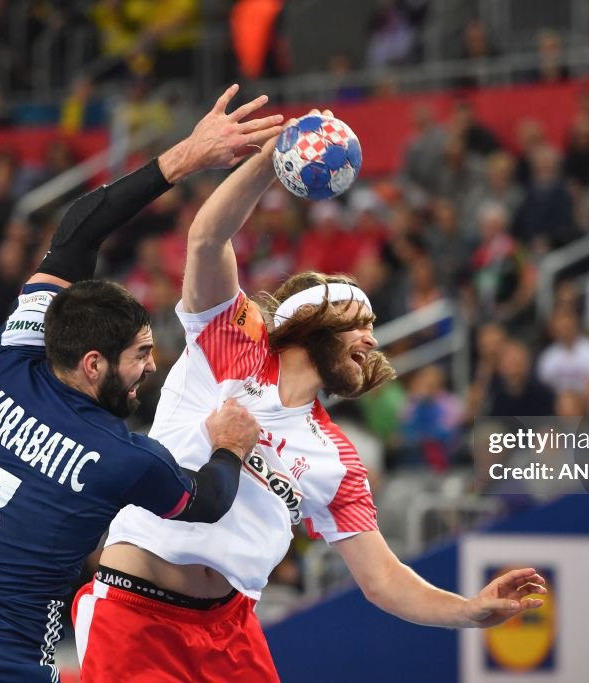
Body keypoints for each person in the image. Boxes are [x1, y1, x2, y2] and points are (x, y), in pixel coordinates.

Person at [72, 110, 548, 683]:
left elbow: (383, 579)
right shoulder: (234, 341)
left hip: (229, 629)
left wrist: (469, 610)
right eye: (360, 320)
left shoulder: (337, 457)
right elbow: (207, 237)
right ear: (310, 319)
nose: (372, 337)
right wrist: (272, 160)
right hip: (134, 611)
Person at [0, 84, 283, 683]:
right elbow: (209, 501)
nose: (151, 367)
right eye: (139, 354)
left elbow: (78, 231)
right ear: (93, 363)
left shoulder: (9, 358)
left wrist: (184, 157)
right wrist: (228, 446)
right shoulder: (121, 457)